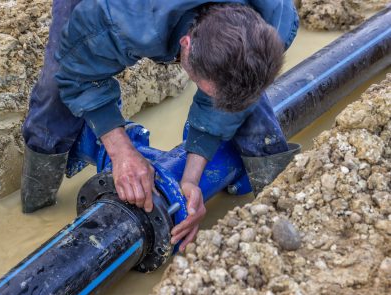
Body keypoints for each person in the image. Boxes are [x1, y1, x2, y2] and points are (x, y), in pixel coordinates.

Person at [21, 0, 299, 251]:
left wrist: (190, 180)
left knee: (242, 95)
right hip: (130, 12)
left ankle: (278, 207)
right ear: (186, 43)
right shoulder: (125, 19)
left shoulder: (276, 20)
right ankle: (36, 199)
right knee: (55, 87)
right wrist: (122, 153)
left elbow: (229, 100)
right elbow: (77, 72)